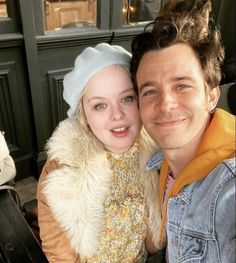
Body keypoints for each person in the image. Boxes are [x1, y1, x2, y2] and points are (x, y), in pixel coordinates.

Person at [130, 0, 235, 262]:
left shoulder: (228, 191)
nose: (165, 104)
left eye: (182, 86)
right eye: (150, 91)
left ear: (211, 96)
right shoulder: (162, 160)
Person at [37, 43, 162, 263]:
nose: (117, 115)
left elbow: (154, 233)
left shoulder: (156, 153)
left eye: (127, 98)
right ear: (83, 114)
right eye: (100, 106)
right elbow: (58, 248)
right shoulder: (64, 168)